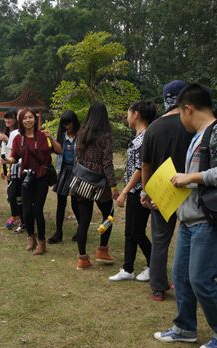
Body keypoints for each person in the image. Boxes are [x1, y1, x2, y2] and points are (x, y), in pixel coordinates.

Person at [154, 83, 217, 348]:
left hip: (213, 219)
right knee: (181, 276)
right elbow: (193, 182)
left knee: (202, 279)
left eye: (179, 113)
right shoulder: (198, 136)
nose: (180, 120)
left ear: (188, 109)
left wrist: (191, 177)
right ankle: (185, 327)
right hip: (190, 218)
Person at [140, 80, 193, 301]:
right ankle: (188, 284)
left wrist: (146, 191)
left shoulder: (153, 128)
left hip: (163, 191)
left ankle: (158, 287)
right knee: (191, 239)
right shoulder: (193, 125)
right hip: (191, 188)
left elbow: (145, 165)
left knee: (160, 240)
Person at [109, 101, 156, 281]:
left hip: (140, 191)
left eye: (128, 112)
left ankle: (154, 265)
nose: (127, 116)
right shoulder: (139, 137)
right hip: (133, 191)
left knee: (136, 231)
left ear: (136, 114)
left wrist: (124, 192)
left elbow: (140, 169)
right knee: (130, 231)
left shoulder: (144, 138)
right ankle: (128, 269)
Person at [9, 108, 62, 255]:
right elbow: (14, 156)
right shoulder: (18, 138)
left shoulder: (43, 136)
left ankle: (41, 242)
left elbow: (59, 150)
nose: (28, 120)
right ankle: (30, 237)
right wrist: (8, 160)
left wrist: (51, 138)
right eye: (25, 118)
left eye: (30, 117)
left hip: (42, 176)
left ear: (35, 119)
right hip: (26, 177)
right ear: (21, 121)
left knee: (37, 210)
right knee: (26, 211)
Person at [74, 103, 119, 269]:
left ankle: (82, 258)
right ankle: (102, 250)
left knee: (83, 221)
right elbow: (107, 163)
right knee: (109, 215)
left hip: (82, 180)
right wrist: (113, 186)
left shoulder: (81, 133)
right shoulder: (106, 136)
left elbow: (77, 156)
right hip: (100, 183)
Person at [48, 110, 81, 244]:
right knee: (60, 203)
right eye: (65, 124)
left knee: (75, 204)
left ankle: (81, 230)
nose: (68, 126)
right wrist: (50, 139)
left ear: (74, 123)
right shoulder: (62, 136)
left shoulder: (81, 136)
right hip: (64, 171)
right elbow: (59, 150)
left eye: (70, 123)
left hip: (77, 172)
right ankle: (58, 233)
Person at [0, 109, 23, 231]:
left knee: (15, 193)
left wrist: (7, 140)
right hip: (7, 164)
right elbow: (4, 151)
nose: (7, 120)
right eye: (6, 118)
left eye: (10, 118)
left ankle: (18, 216)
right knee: (11, 192)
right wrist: (3, 168)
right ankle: (16, 215)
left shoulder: (18, 133)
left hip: (17, 165)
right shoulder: (5, 132)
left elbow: (18, 149)